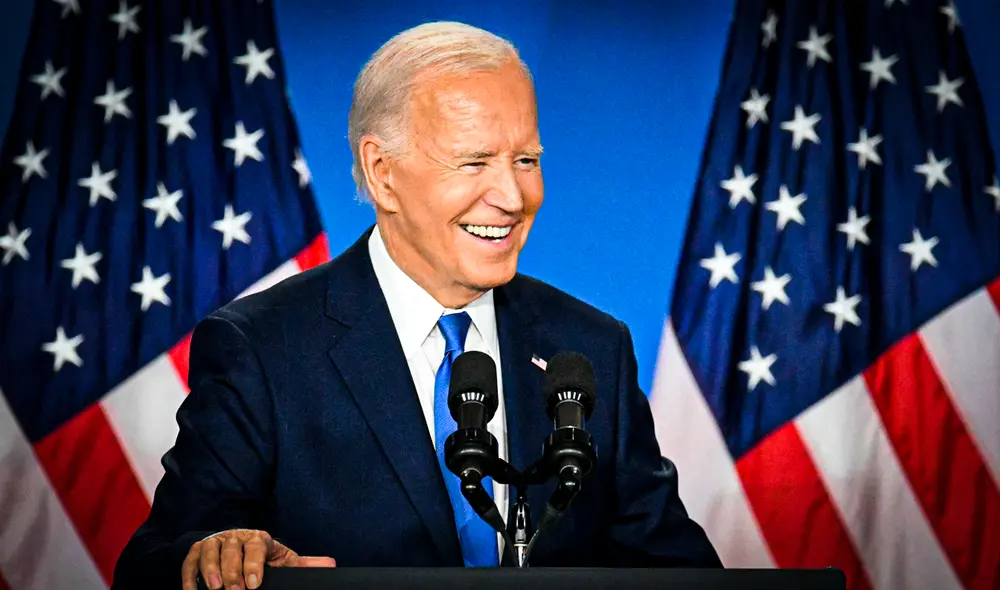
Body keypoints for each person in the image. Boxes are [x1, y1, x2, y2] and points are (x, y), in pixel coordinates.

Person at [111, 21, 721, 590]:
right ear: (382, 173)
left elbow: (676, 567)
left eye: (526, 161)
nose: (512, 197)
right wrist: (222, 553)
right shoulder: (263, 348)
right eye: (474, 162)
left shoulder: (589, 348)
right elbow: (151, 564)